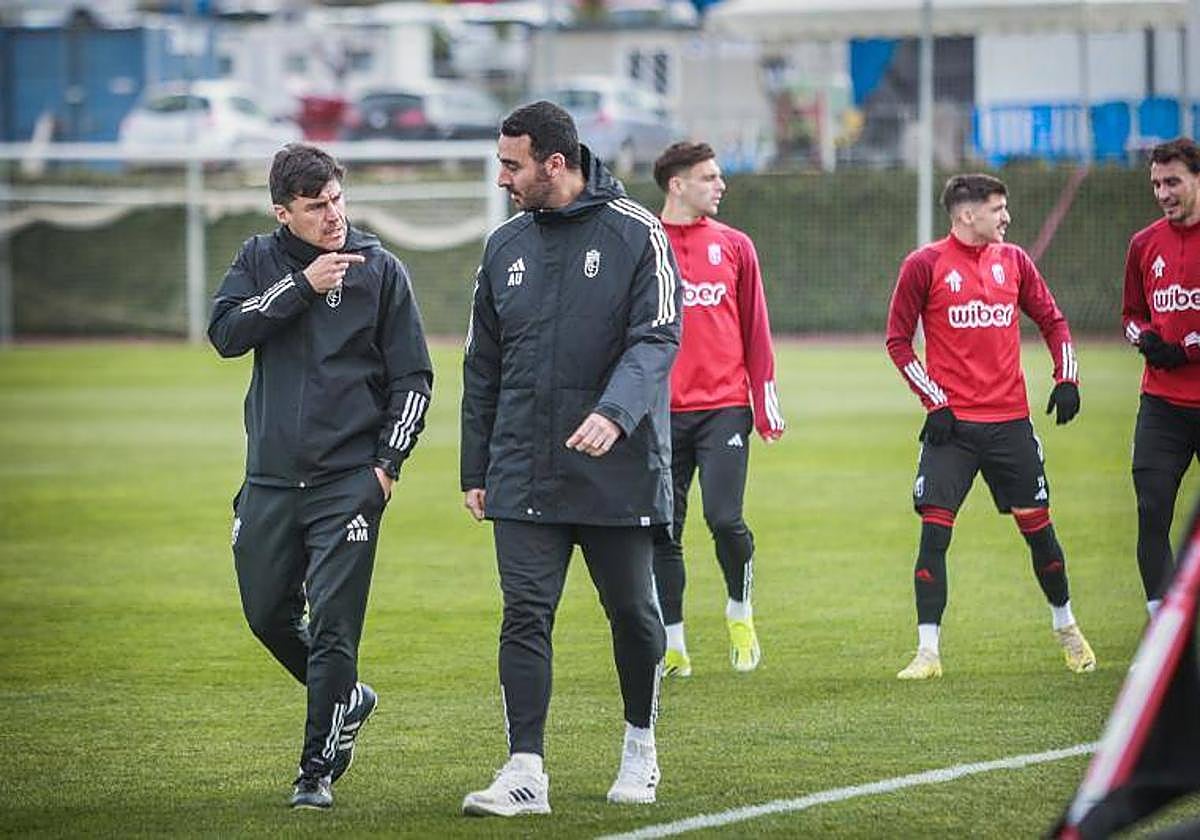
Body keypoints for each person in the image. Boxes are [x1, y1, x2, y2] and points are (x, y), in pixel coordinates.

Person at [459, 101, 680, 816]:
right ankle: (526, 770)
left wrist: (614, 414)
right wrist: (474, 469)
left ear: (556, 164)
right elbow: (480, 364)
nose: (502, 179)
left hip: (616, 466)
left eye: (511, 165)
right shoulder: (504, 247)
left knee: (633, 616)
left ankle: (640, 747)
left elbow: (657, 338)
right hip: (523, 467)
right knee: (524, 613)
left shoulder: (638, 234)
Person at [208, 143, 433, 809]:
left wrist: (386, 468)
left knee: (335, 627)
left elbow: (414, 378)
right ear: (284, 214)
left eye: (337, 199)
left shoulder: (382, 270)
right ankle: (350, 700)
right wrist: (303, 287)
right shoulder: (259, 260)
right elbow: (225, 332)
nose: (333, 215)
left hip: (348, 485)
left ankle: (315, 772)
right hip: (270, 482)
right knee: (266, 615)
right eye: (315, 208)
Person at [884, 172, 1095, 680]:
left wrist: (1066, 378)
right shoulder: (925, 264)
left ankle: (1067, 629)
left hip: (1010, 426)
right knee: (933, 535)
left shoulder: (1015, 261)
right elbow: (897, 340)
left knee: (1039, 532)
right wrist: (934, 401)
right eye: (998, 209)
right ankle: (928, 653)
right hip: (951, 429)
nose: (1006, 217)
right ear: (966, 214)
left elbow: (1054, 321)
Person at [650, 141, 786, 678]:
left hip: (725, 407)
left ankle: (740, 612)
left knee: (724, 518)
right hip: (659, 413)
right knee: (664, 528)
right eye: (709, 177)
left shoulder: (734, 245)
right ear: (677, 185)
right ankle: (673, 644)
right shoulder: (645, 244)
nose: (720, 184)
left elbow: (756, 329)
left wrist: (765, 404)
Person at [1123, 137, 1200, 617]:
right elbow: (1132, 314)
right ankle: (1159, 635)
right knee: (1152, 514)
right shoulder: (1144, 244)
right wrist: (1146, 338)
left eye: (1173, 182)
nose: (1163, 192)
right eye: (1156, 183)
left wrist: (1186, 349)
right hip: (1162, 407)